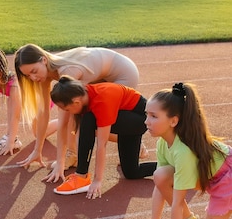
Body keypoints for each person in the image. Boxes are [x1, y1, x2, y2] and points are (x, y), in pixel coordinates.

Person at [131, 82, 232, 219]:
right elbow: (160, 186)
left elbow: (177, 203)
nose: (146, 121)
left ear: (173, 121)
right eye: (146, 115)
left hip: (227, 179)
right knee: (159, 175)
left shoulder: (183, 153)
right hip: (213, 177)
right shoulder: (163, 143)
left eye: (153, 116)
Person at [14, 44, 141, 182]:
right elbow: (44, 113)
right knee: (80, 118)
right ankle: (73, 154)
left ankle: (133, 142)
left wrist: (60, 163)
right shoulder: (44, 74)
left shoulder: (68, 72)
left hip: (123, 74)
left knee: (88, 120)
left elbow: (63, 123)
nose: (33, 77)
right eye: (28, 75)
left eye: (34, 71)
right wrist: (37, 150)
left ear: (44, 60)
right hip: (101, 76)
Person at [50, 76, 157, 197]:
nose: (68, 112)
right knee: (131, 172)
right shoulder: (84, 94)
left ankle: (81, 176)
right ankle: (173, 168)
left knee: (89, 118)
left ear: (76, 102)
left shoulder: (101, 102)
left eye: (67, 109)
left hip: (139, 119)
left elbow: (102, 144)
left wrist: (97, 181)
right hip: (127, 118)